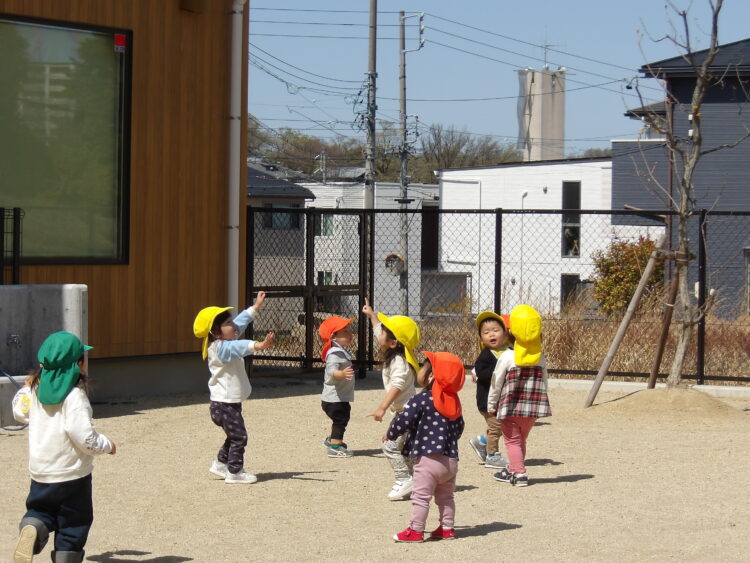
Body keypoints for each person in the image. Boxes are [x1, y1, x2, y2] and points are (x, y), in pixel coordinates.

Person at [11, 331, 115, 563]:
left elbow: (19, 412)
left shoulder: (34, 390)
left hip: (41, 473)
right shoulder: (75, 396)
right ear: (78, 365)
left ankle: (33, 526)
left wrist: (25, 388)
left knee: (41, 510)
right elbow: (84, 437)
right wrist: (106, 445)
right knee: (73, 524)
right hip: (72, 476)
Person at [193, 292, 275, 484]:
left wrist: (256, 307)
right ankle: (235, 472)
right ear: (216, 332)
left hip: (226, 403)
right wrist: (259, 345)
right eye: (228, 323)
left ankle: (221, 463)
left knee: (234, 434)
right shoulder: (221, 348)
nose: (234, 325)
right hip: (224, 405)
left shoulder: (224, 340)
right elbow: (240, 346)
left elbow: (240, 323)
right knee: (240, 437)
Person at [390, 351, 465, 543]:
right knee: (446, 497)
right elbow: (459, 428)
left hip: (428, 459)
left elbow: (404, 419)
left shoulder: (421, 399)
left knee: (420, 497)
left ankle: (415, 530)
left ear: (432, 375)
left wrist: (391, 433)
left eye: (423, 367)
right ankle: (447, 528)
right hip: (450, 460)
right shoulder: (454, 402)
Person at [362, 298, 420, 501]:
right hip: (406, 411)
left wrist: (382, 408)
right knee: (405, 449)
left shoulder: (399, 361)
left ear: (393, 342)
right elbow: (379, 330)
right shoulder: (396, 352)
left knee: (389, 446)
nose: (380, 333)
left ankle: (404, 479)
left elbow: (397, 385)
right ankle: (418, 480)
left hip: (406, 412)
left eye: (384, 332)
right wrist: (372, 315)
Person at [487, 304, 551, 487]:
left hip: (510, 407)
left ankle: (520, 473)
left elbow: (496, 383)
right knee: (521, 439)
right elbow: (544, 382)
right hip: (533, 409)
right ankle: (512, 468)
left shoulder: (507, 357)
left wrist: (491, 404)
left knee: (512, 441)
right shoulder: (540, 358)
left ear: (510, 333)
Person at [468, 311, 510, 469]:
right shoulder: (485, 356)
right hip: (487, 400)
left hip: (502, 399)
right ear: (481, 339)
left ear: (505, 333)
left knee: (501, 426)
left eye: (495, 330)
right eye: (486, 333)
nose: (491, 334)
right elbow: (482, 374)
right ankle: (492, 455)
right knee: (496, 427)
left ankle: (481, 441)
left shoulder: (509, 351)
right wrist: (498, 369)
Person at [318, 315, 356, 458]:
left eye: (350, 330)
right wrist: (341, 373)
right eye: (345, 331)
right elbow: (331, 371)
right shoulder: (334, 354)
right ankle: (335, 447)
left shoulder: (340, 352)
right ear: (333, 337)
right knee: (341, 419)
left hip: (338, 396)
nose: (350, 334)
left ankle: (333, 439)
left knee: (341, 417)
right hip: (334, 398)